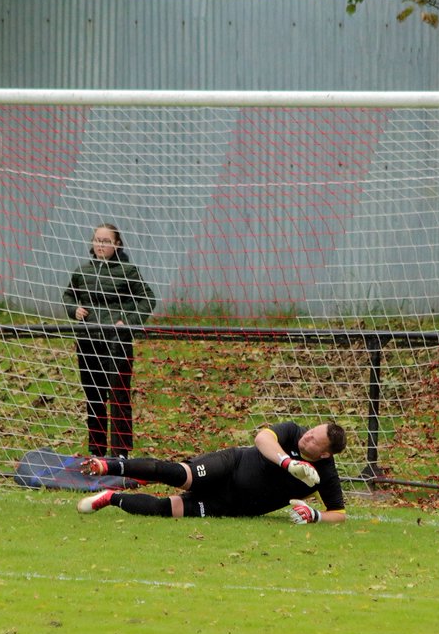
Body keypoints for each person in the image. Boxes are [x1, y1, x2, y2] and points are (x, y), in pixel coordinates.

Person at [75, 421, 348, 524]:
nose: (307, 437)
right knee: (176, 474)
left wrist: (315, 516)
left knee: (164, 509)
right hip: (231, 466)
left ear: (325, 454)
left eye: (314, 440)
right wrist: (288, 463)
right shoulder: (292, 431)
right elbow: (262, 439)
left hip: (232, 505)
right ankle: (108, 465)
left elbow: (340, 513)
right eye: (311, 431)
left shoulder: (326, 473)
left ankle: (110, 498)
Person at [62, 223, 156, 458]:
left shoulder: (128, 271)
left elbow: (147, 298)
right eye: (97, 240)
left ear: (117, 244)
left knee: (119, 397)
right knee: (94, 398)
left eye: (106, 241)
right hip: (88, 342)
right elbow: (68, 295)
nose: (101, 245)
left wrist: (128, 321)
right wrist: (74, 309)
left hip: (117, 344)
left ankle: (121, 454)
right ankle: (96, 452)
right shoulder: (82, 271)